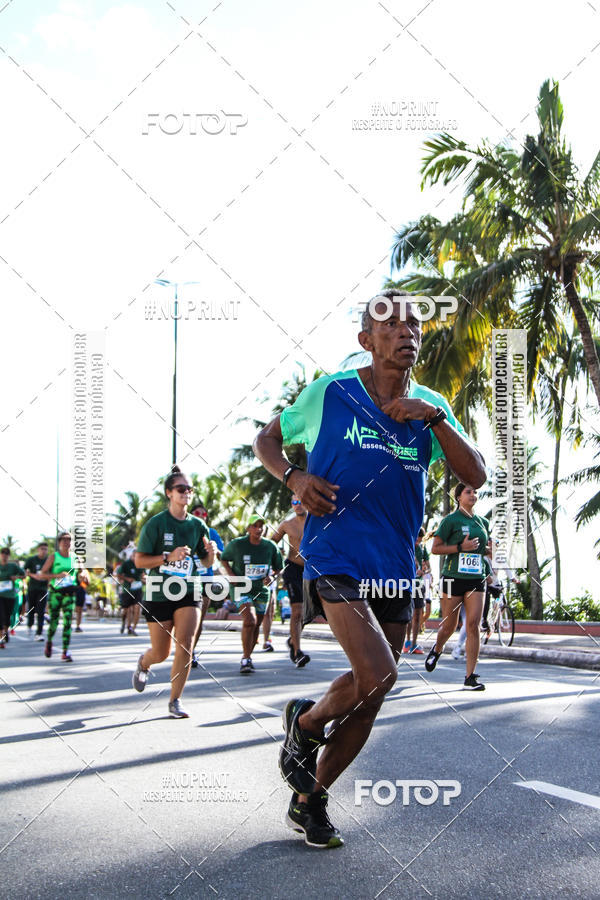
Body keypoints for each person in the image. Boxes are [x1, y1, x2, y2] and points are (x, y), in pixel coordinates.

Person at [253, 290, 486, 848]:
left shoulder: (432, 409)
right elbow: (267, 439)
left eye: (414, 326)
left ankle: (310, 796)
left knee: (370, 689)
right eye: (393, 326)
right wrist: (295, 479)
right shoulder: (331, 394)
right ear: (367, 341)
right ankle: (306, 726)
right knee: (380, 674)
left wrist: (433, 421)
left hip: (396, 566)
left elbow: (473, 474)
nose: (408, 332)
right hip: (335, 555)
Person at [132, 466, 216, 718]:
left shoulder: (198, 525)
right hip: (159, 591)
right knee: (161, 652)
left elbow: (206, 563)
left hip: (189, 590)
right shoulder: (156, 524)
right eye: (181, 489)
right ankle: (144, 663)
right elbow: (139, 561)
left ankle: (175, 700)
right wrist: (168, 557)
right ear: (169, 493)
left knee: (186, 644)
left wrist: (211, 554)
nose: (186, 493)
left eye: (189, 489)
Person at [426, 483, 490, 690]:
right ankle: (437, 648)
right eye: (468, 492)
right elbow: (435, 549)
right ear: (458, 497)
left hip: (476, 578)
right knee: (449, 626)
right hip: (453, 577)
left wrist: (487, 552)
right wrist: (461, 547)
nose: (473, 495)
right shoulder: (450, 521)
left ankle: (470, 677)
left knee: (473, 625)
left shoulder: (483, 523)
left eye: (475, 492)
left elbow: (483, 549)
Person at [220, 514, 283, 675]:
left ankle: (248, 657)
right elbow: (224, 559)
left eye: (261, 526)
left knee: (256, 625)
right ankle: (245, 658)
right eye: (254, 526)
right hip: (241, 587)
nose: (258, 529)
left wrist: (272, 577)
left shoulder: (270, 546)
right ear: (248, 528)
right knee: (250, 620)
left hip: (261, 590)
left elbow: (278, 567)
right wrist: (231, 575)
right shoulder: (237, 545)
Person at [270, 496, 310, 667]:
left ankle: (294, 640)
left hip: (311, 570)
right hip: (293, 569)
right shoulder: (287, 525)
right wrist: (275, 566)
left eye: (301, 501)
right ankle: (297, 652)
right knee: (297, 610)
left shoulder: (316, 521)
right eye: (294, 502)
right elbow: (271, 544)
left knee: (310, 612)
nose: (298, 505)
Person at [189, 503, 224, 667]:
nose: (201, 515)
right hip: (187, 580)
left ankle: (191, 651)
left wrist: (215, 550)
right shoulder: (185, 530)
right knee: (187, 618)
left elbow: (223, 555)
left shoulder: (212, 533)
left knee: (198, 619)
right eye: (197, 512)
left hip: (206, 580)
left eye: (204, 513)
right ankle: (185, 647)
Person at [41, 533, 77, 662]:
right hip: (56, 593)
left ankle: (65, 651)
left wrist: (84, 575)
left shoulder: (75, 557)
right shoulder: (53, 557)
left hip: (69, 593)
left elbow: (83, 571)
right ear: (59, 542)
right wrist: (57, 576)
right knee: (54, 622)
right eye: (64, 540)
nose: (67, 542)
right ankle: (49, 641)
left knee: (68, 622)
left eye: (69, 540)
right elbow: (42, 574)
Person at [403, 527, 430, 654]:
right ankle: (407, 642)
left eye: (420, 541)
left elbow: (428, 567)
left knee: (418, 614)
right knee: (408, 614)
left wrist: (424, 570)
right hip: (407, 584)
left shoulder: (423, 549)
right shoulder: (406, 546)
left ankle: (414, 643)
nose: (417, 543)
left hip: (419, 584)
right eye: (417, 540)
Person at [0, 548, 25, 647]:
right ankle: (1, 638)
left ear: (8, 556)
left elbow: (24, 575)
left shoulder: (13, 566)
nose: (4, 555)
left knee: (7, 616)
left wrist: (16, 577)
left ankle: (6, 632)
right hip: (0, 595)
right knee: (0, 616)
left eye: (7, 554)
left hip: (10, 595)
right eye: (3, 553)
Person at [25, 542, 49, 640]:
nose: (44, 551)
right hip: (32, 588)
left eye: (45, 549)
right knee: (31, 608)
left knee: (41, 611)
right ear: (38, 550)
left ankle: (39, 633)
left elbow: (52, 572)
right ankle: (29, 625)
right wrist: (34, 575)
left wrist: (47, 579)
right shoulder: (32, 560)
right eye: (42, 549)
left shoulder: (49, 560)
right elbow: (25, 571)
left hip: (43, 589)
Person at [118, 549, 143, 635]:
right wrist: (127, 579)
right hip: (128, 589)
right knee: (126, 609)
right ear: (132, 555)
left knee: (137, 608)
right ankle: (124, 623)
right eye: (135, 555)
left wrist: (144, 578)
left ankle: (133, 628)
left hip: (138, 588)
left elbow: (143, 574)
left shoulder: (141, 563)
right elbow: (118, 574)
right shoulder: (126, 564)